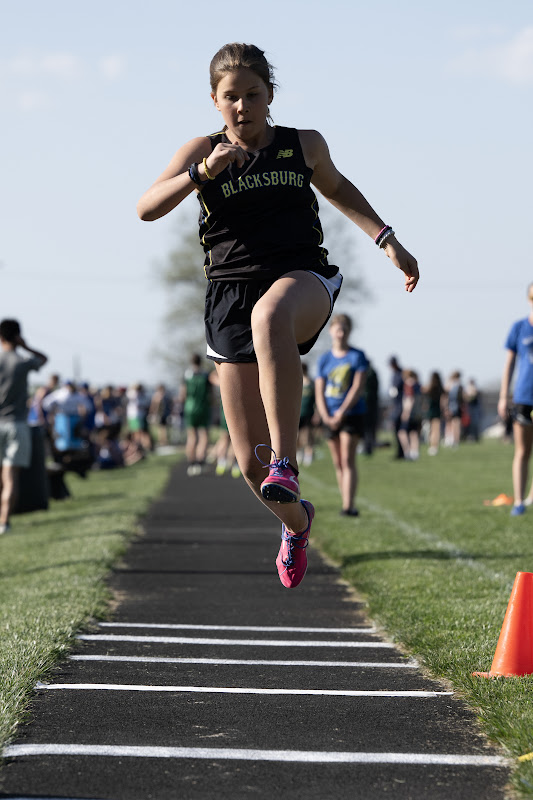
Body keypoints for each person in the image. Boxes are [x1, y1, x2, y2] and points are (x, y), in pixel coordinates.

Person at [137, 42, 419, 588]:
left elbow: (340, 190)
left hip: (301, 278)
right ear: (214, 101)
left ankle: (286, 463)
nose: (242, 107)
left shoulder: (302, 145)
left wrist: (389, 242)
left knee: (272, 318)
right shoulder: (202, 149)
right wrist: (201, 173)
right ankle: (296, 521)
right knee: (247, 463)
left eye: (253, 95)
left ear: (270, 96)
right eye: (230, 98)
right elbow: (146, 207)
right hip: (228, 296)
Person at [315, 314, 368, 516]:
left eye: (345, 328)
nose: (341, 332)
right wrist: (326, 415)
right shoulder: (324, 359)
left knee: (347, 459)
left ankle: (349, 505)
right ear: (331, 331)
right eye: (338, 328)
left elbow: (357, 386)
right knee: (337, 461)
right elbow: (319, 389)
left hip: (351, 413)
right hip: (329, 415)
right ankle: (344, 499)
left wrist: (341, 412)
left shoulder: (357, 356)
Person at [0, 319, 48, 534]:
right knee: (10, 478)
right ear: (17, 337)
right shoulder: (21, 362)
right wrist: (25, 346)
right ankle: (4, 523)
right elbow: (43, 359)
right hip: (16, 424)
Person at [498, 283, 533, 516]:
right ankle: (519, 501)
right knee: (522, 451)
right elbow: (509, 363)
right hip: (524, 396)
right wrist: (503, 396)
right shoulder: (519, 328)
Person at [179, 354, 212, 476]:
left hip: (190, 407)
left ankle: (191, 463)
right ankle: (200, 461)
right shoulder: (205, 375)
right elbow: (211, 395)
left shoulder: (186, 375)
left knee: (191, 436)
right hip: (203, 407)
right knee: (204, 435)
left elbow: (182, 395)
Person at [397, 369, 422, 461]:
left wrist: (406, 412)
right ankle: (415, 452)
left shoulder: (408, 384)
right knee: (414, 433)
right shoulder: (418, 385)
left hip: (410, 411)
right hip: (418, 412)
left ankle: (407, 452)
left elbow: (409, 398)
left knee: (402, 432)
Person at [423, 371, 445, 455]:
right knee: (436, 430)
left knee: (430, 430)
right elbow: (443, 400)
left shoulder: (428, 388)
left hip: (430, 410)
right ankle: (435, 446)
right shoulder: (440, 388)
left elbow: (425, 401)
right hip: (437, 410)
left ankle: (431, 446)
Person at [388, 356, 405, 459]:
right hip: (396, 406)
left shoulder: (400, 374)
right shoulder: (395, 374)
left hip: (400, 407)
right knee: (396, 430)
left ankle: (401, 452)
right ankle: (399, 452)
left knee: (400, 430)